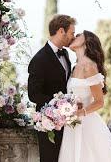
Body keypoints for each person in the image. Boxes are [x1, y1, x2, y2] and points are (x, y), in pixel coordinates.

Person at [58, 30, 111, 162]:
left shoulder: (89, 66)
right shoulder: (75, 66)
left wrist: (79, 113)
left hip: (86, 124)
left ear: (86, 42)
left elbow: (100, 102)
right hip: (72, 124)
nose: (74, 37)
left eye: (78, 35)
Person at [28, 14, 76, 162]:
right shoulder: (39, 59)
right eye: (72, 33)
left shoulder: (65, 54)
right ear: (61, 31)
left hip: (66, 123)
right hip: (48, 123)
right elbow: (34, 94)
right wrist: (59, 105)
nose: (73, 37)